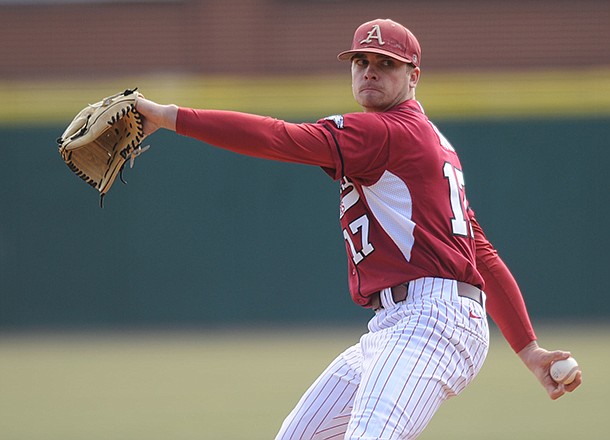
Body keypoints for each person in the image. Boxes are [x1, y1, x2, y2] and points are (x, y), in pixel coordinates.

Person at [136, 18, 582, 440]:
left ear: (413, 76)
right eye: (361, 62)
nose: (370, 72)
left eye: (386, 63)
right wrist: (528, 349)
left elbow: (280, 137)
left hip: (429, 322)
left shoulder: (387, 131)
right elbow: (479, 253)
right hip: (399, 324)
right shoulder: (429, 139)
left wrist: (166, 115)